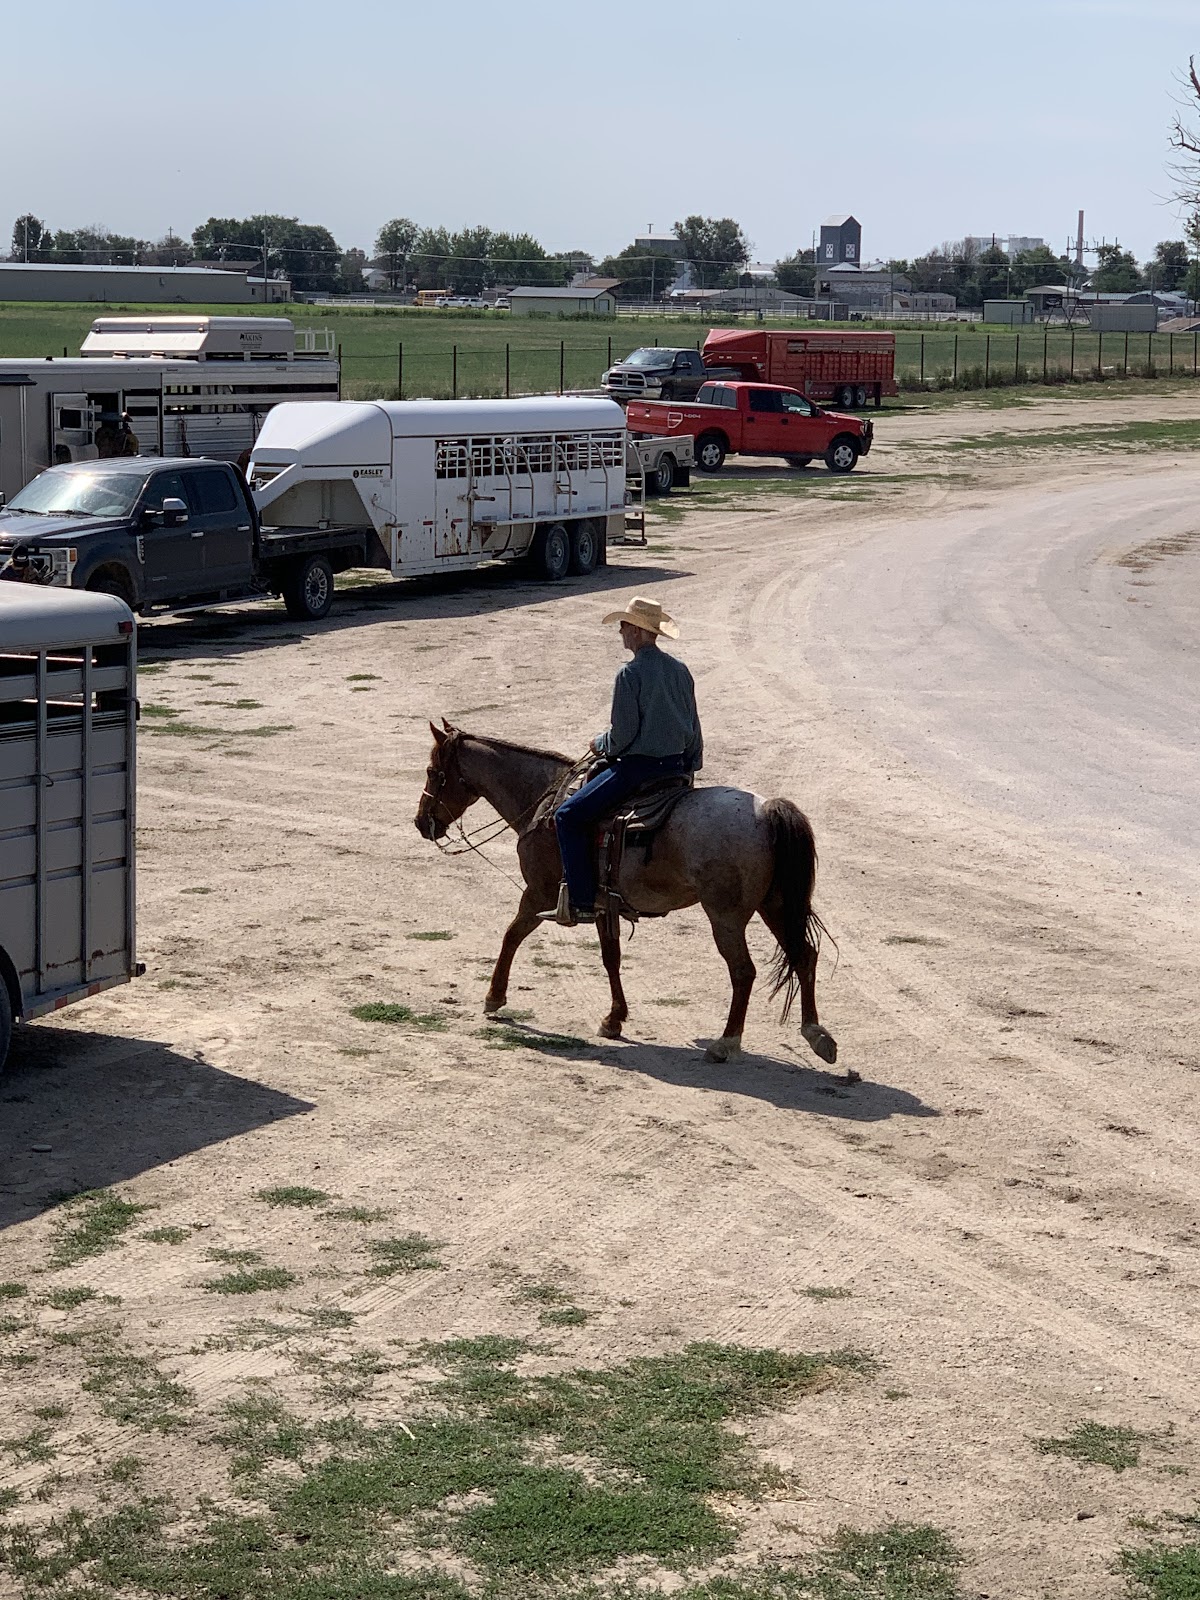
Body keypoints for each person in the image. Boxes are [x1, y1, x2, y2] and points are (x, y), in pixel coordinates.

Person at [551, 595, 703, 926]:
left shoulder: (629, 674)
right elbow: (694, 729)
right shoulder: (680, 671)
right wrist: (689, 768)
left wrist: (600, 743)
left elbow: (623, 736)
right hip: (676, 769)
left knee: (567, 816)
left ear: (636, 630)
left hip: (637, 770)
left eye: (623, 626)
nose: (620, 632)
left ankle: (581, 900)